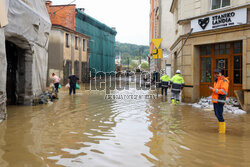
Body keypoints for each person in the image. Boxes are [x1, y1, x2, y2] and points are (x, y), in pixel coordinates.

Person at [209, 69, 229, 134]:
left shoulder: (224, 80)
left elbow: (223, 91)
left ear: (221, 73)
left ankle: (222, 132)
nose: (216, 74)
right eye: (215, 73)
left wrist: (213, 89)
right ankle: (220, 128)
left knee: (219, 115)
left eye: (218, 73)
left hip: (220, 101)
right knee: (216, 114)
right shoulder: (216, 80)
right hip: (215, 101)